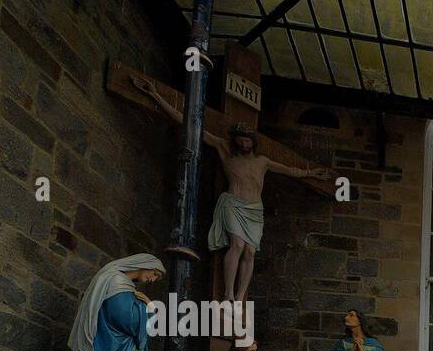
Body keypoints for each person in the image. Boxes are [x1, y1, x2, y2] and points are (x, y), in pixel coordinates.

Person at [133, 76, 327, 302]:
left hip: (255, 210)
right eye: (241, 140)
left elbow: (291, 170)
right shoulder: (224, 149)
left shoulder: (262, 161)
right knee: (237, 244)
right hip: (233, 204)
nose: (244, 144)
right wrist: (155, 95)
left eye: (248, 140)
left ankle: (240, 294)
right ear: (235, 140)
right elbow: (193, 126)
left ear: (253, 142)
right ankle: (227, 293)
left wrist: (311, 173)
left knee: (250, 251)